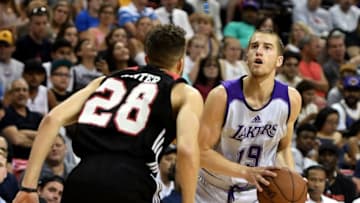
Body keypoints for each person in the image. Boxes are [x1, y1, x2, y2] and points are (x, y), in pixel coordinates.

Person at [13, 24, 203, 203]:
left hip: (82, 177)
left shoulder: (104, 81)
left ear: (146, 59)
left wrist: (28, 188)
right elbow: (187, 150)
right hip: (131, 181)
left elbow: (51, 119)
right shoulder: (184, 92)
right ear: (180, 64)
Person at [196, 29, 302, 203]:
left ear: (279, 61)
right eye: (254, 46)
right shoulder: (222, 96)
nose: (258, 51)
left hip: (257, 193)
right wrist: (244, 172)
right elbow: (201, 152)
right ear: (246, 57)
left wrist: (291, 179)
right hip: (210, 191)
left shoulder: (291, 99)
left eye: (267, 47)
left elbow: (282, 148)